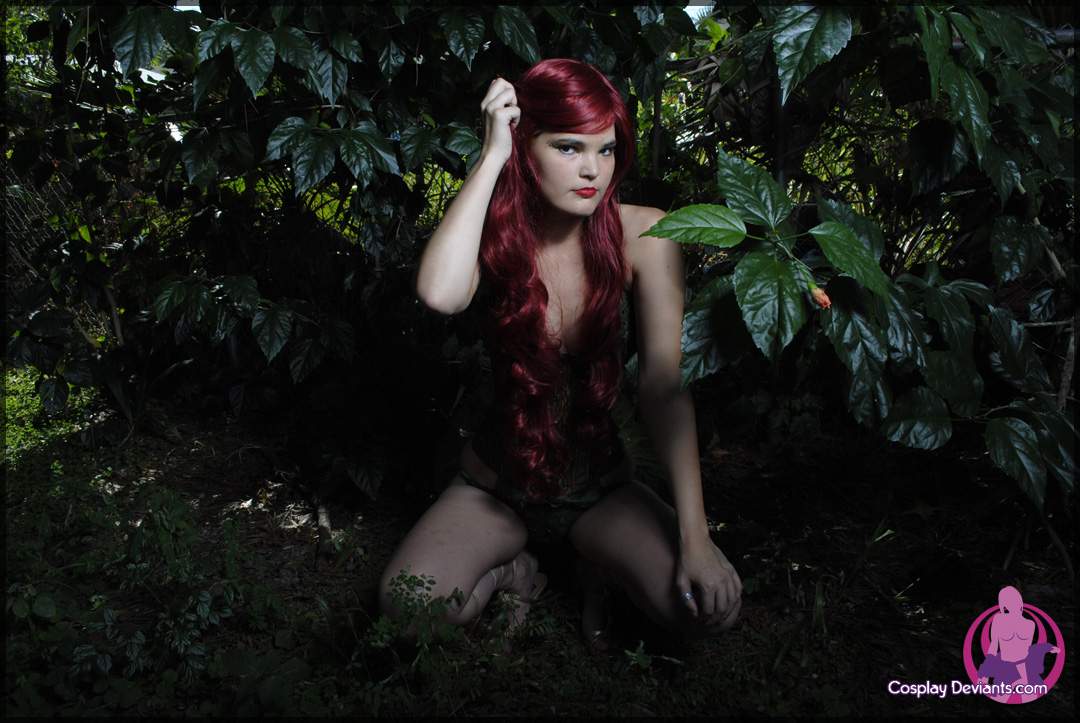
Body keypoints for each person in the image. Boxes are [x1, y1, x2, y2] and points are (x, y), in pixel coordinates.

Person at [378, 58, 742, 652]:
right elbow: (440, 294)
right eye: (569, 147)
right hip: (495, 487)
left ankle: (595, 566)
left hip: (600, 490)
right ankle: (515, 571)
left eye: (606, 149)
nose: (592, 169)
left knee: (705, 614)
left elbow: (663, 389)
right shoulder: (495, 234)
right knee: (407, 607)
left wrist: (696, 539)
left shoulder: (647, 235)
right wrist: (492, 155)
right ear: (528, 148)